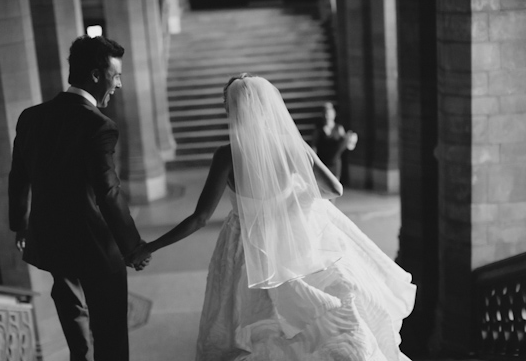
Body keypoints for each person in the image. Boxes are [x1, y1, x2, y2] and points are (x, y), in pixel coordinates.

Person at [133, 74, 416, 360]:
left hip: (246, 246)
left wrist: (149, 247)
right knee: (312, 317)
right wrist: (291, 203)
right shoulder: (293, 146)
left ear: (231, 109)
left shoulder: (226, 156)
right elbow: (334, 188)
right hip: (294, 240)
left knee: (248, 325)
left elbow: (200, 218)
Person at [9, 35, 149, 361]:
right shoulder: (98, 125)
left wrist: (20, 225)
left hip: (52, 239)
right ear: (97, 75)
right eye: (116, 76)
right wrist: (132, 246)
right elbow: (108, 191)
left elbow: (18, 177)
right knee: (110, 332)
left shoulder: (31, 117)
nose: (119, 85)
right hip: (95, 246)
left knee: (74, 324)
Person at [311, 101, 358, 180]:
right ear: (323, 115)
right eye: (326, 113)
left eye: (330, 114)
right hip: (323, 160)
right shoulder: (318, 130)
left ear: (334, 114)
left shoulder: (338, 128)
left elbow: (343, 143)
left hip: (334, 161)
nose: (328, 116)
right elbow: (314, 146)